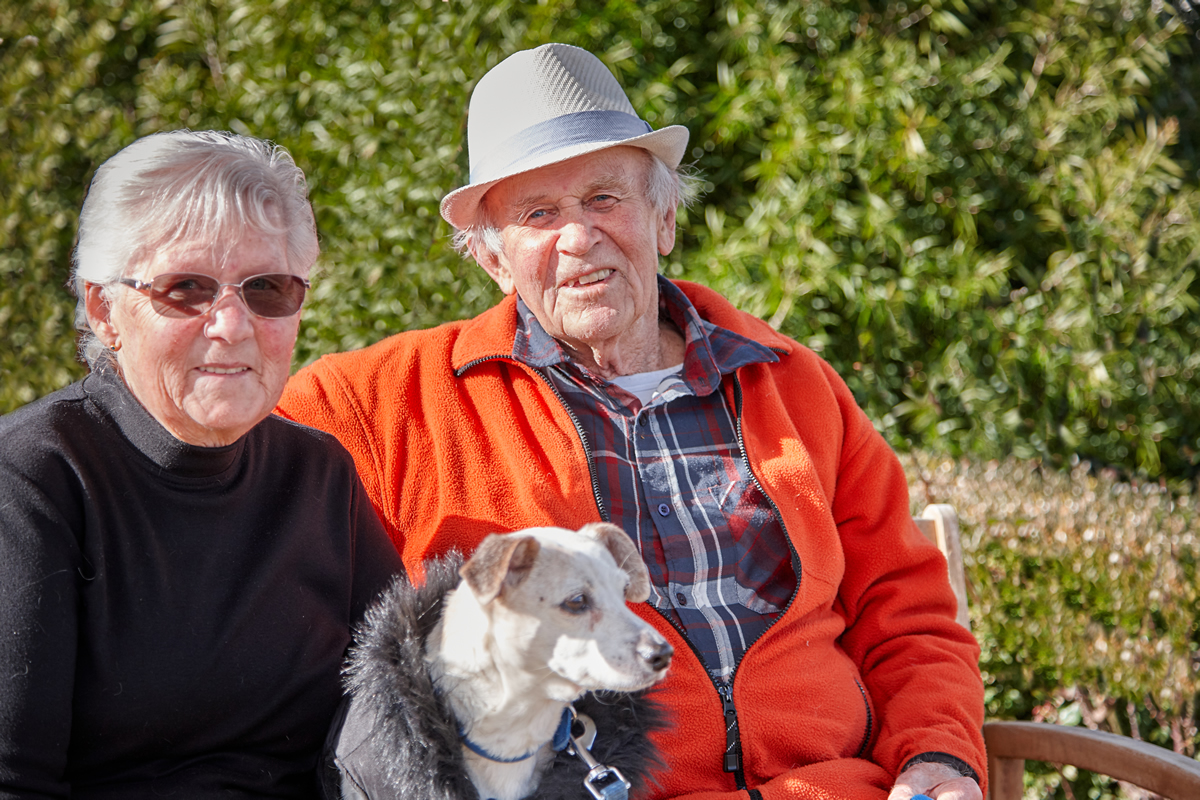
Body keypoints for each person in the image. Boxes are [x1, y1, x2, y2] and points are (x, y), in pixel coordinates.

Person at [277, 44, 986, 800]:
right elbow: (212, 463)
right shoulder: (383, 403)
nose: (579, 237)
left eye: (604, 198)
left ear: (665, 217)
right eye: (538, 214)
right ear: (494, 261)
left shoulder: (795, 383)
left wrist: (940, 757)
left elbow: (907, 616)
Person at [0, 130, 404, 800]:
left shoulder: (319, 475)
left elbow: (409, 697)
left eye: (267, 289)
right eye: (185, 288)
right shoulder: (34, 481)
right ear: (105, 310)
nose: (231, 324)